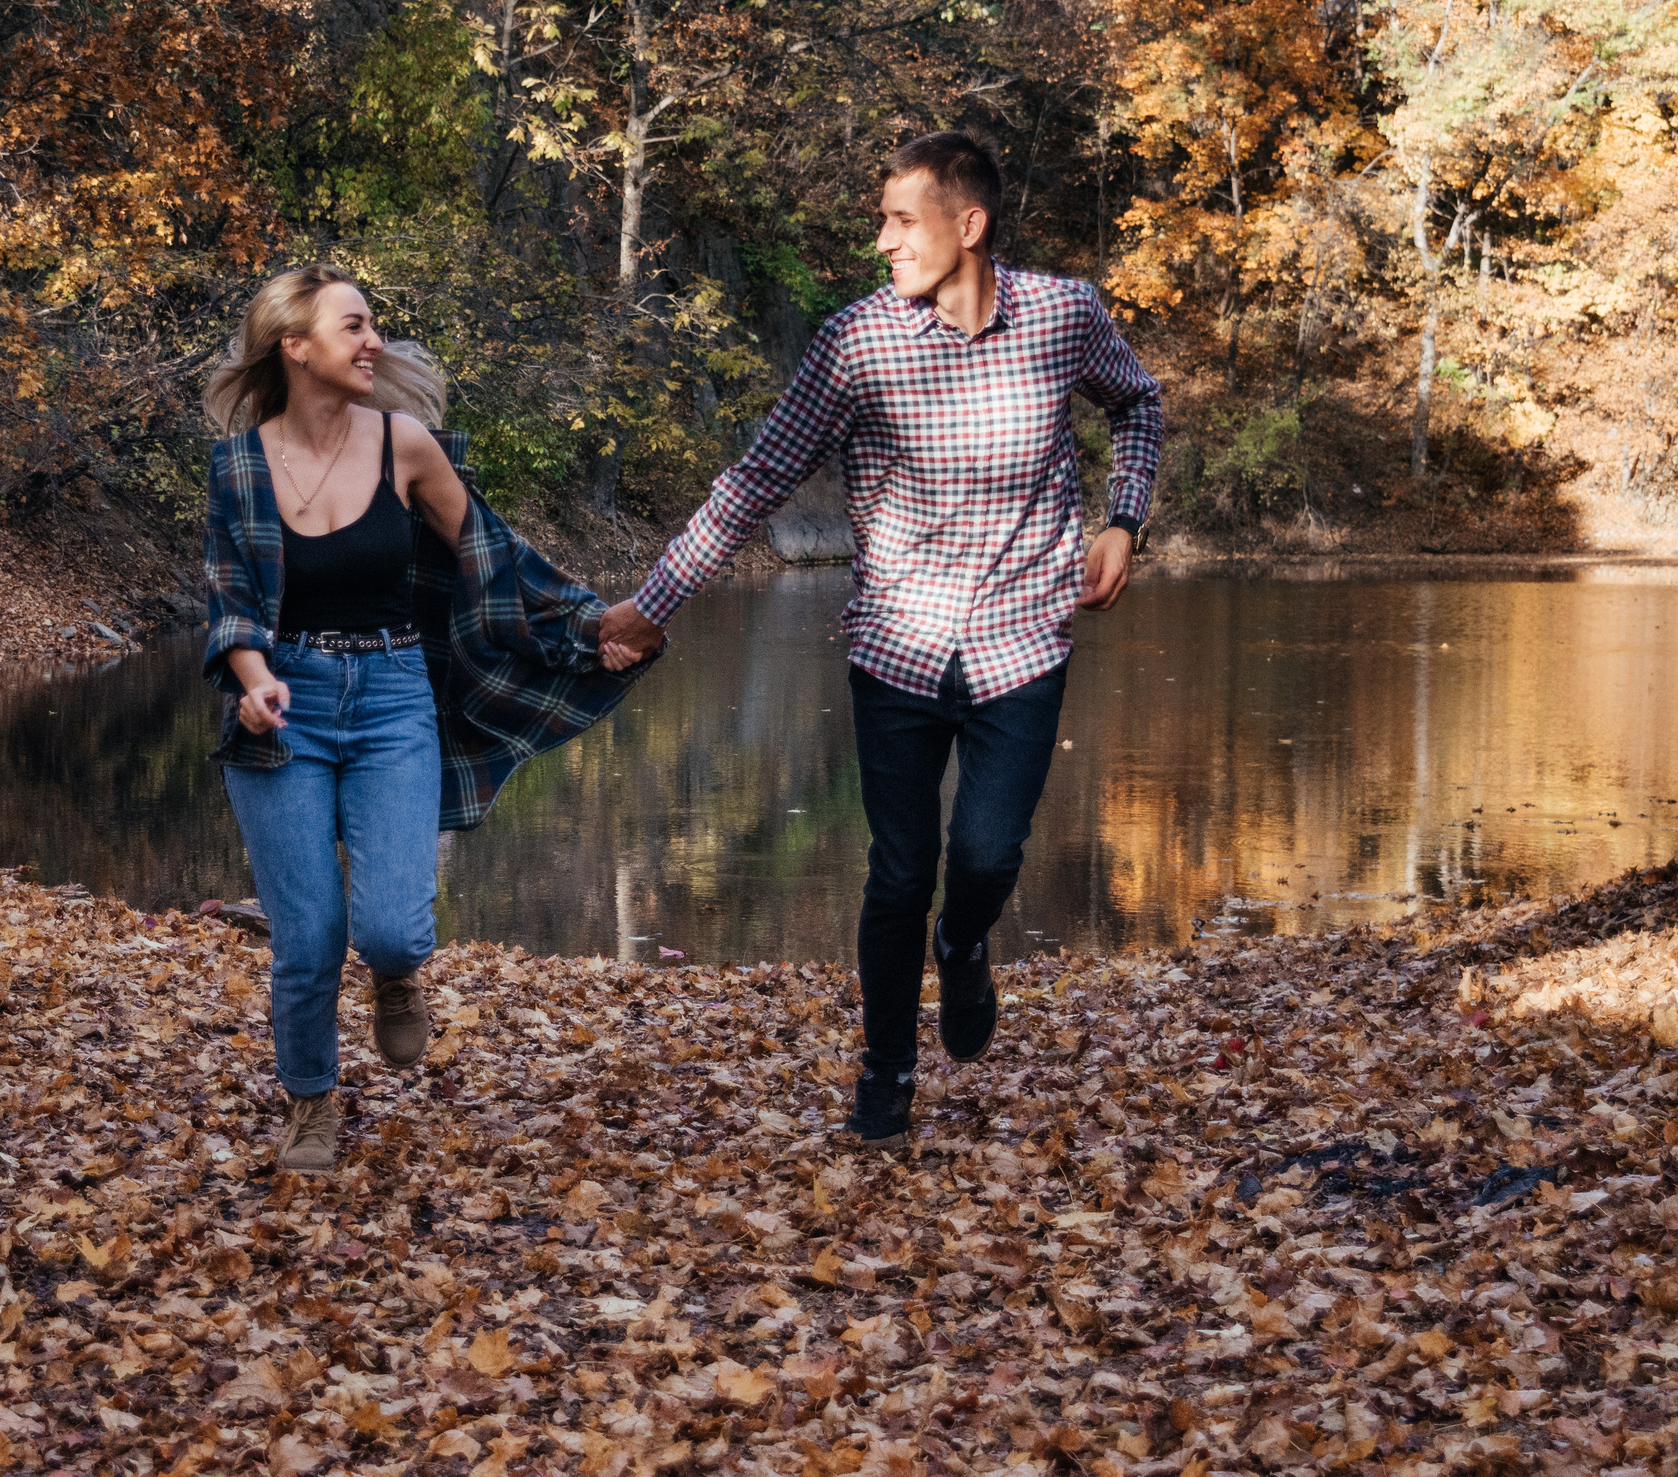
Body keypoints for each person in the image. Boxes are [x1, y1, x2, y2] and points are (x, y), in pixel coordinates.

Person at [597, 131, 1164, 1146]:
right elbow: (753, 482)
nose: (882, 242)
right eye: (882, 221)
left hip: (1021, 639)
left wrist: (1122, 519)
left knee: (984, 856)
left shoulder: (1062, 317)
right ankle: (886, 1071)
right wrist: (655, 603)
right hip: (896, 647)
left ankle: (967, 940)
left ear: (968, 225)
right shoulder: (857, 342)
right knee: (900, 869)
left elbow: (1137, 402)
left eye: (901, 221)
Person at [203, 265, 649, 1173]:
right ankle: (312, 1105)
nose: (375, 342)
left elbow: (496, 555)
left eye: (373, 327)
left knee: (392, 929)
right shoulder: (241, 465)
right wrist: (253, 681)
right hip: (284, 708)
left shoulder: (405, 445)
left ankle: (398, 976)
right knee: (308, 939)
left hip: (396, 698)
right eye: (355, 326)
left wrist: (588, 628)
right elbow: (228, 600)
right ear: (296, 347)